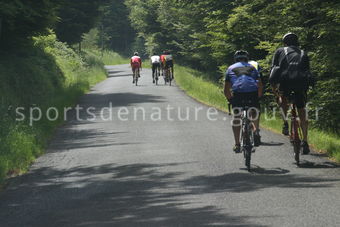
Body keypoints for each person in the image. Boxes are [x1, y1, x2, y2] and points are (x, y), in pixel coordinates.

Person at [269, 32, 313, 154]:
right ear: (297, 42)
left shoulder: (280, 51)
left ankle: (285, 123)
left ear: (285, 42)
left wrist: (275, 91)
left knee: (282, 100)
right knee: (302, 111)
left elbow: (274, 70)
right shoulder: (303, 53)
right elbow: (308, 72)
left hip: (286, 82)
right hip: (300, 84)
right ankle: (305, 140)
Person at [224, 50, 263, 153]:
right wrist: (258, 97)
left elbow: (226, 89)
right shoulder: (253, 68)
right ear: (247, 58)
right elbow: (259, 85)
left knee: (236, 117)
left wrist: (230, 99)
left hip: (238, 94)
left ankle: (237, 144)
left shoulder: (230, 68)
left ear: (235, 59)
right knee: (253, 113)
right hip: (252, 93)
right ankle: (255, 131)